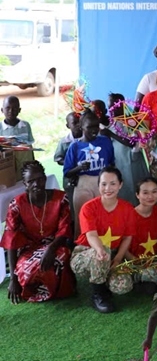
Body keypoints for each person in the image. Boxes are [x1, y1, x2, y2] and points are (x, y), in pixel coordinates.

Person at [1, 161, 75, 304]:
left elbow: (65, 229)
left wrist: (51, 249)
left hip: (56, 245)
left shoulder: (60, 199)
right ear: (24, 183)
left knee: (58, 259)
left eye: (40, 179)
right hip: (29, 248)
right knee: (26, 269)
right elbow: (11, 240)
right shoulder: (16, 205)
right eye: (31, 181)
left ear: (45, 178)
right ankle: (38, 290)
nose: (36, 184)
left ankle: (59, 289)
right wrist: (13, 278)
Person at [71, 166, 136, 313]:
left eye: (113, 183)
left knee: (123, 285)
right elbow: (91, 235)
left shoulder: (127, 209)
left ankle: (103, 278)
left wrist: (118, 259)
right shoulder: (89, 208)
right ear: (98, 185)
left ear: (121, 185)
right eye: (104, 184)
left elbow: (127, 237)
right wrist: (100, 250)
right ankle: (98, 294)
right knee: (102, 252)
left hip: (111, 254)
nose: (108, 188)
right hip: (86, 253)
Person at [63, 110, 116, 231]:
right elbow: (67, 172)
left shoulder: (105, 141)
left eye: (96, 126)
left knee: (104, 217)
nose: (94, 130)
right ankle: (83, 246)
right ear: (81, 127)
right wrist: (80, 168)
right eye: (89, 127)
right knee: (83, 218)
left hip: (103, 181)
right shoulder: (75, 146)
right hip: (83, 183)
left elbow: (111, 163)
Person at [123, 177, 157, 290]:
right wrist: (141, 264)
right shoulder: (129, 216)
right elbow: (123, 250)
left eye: (154, 192)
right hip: (134, 261)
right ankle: (140, 281)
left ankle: (148, 283)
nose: (150, 196)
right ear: (137, 195)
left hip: (154, 260)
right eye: (145, 193)